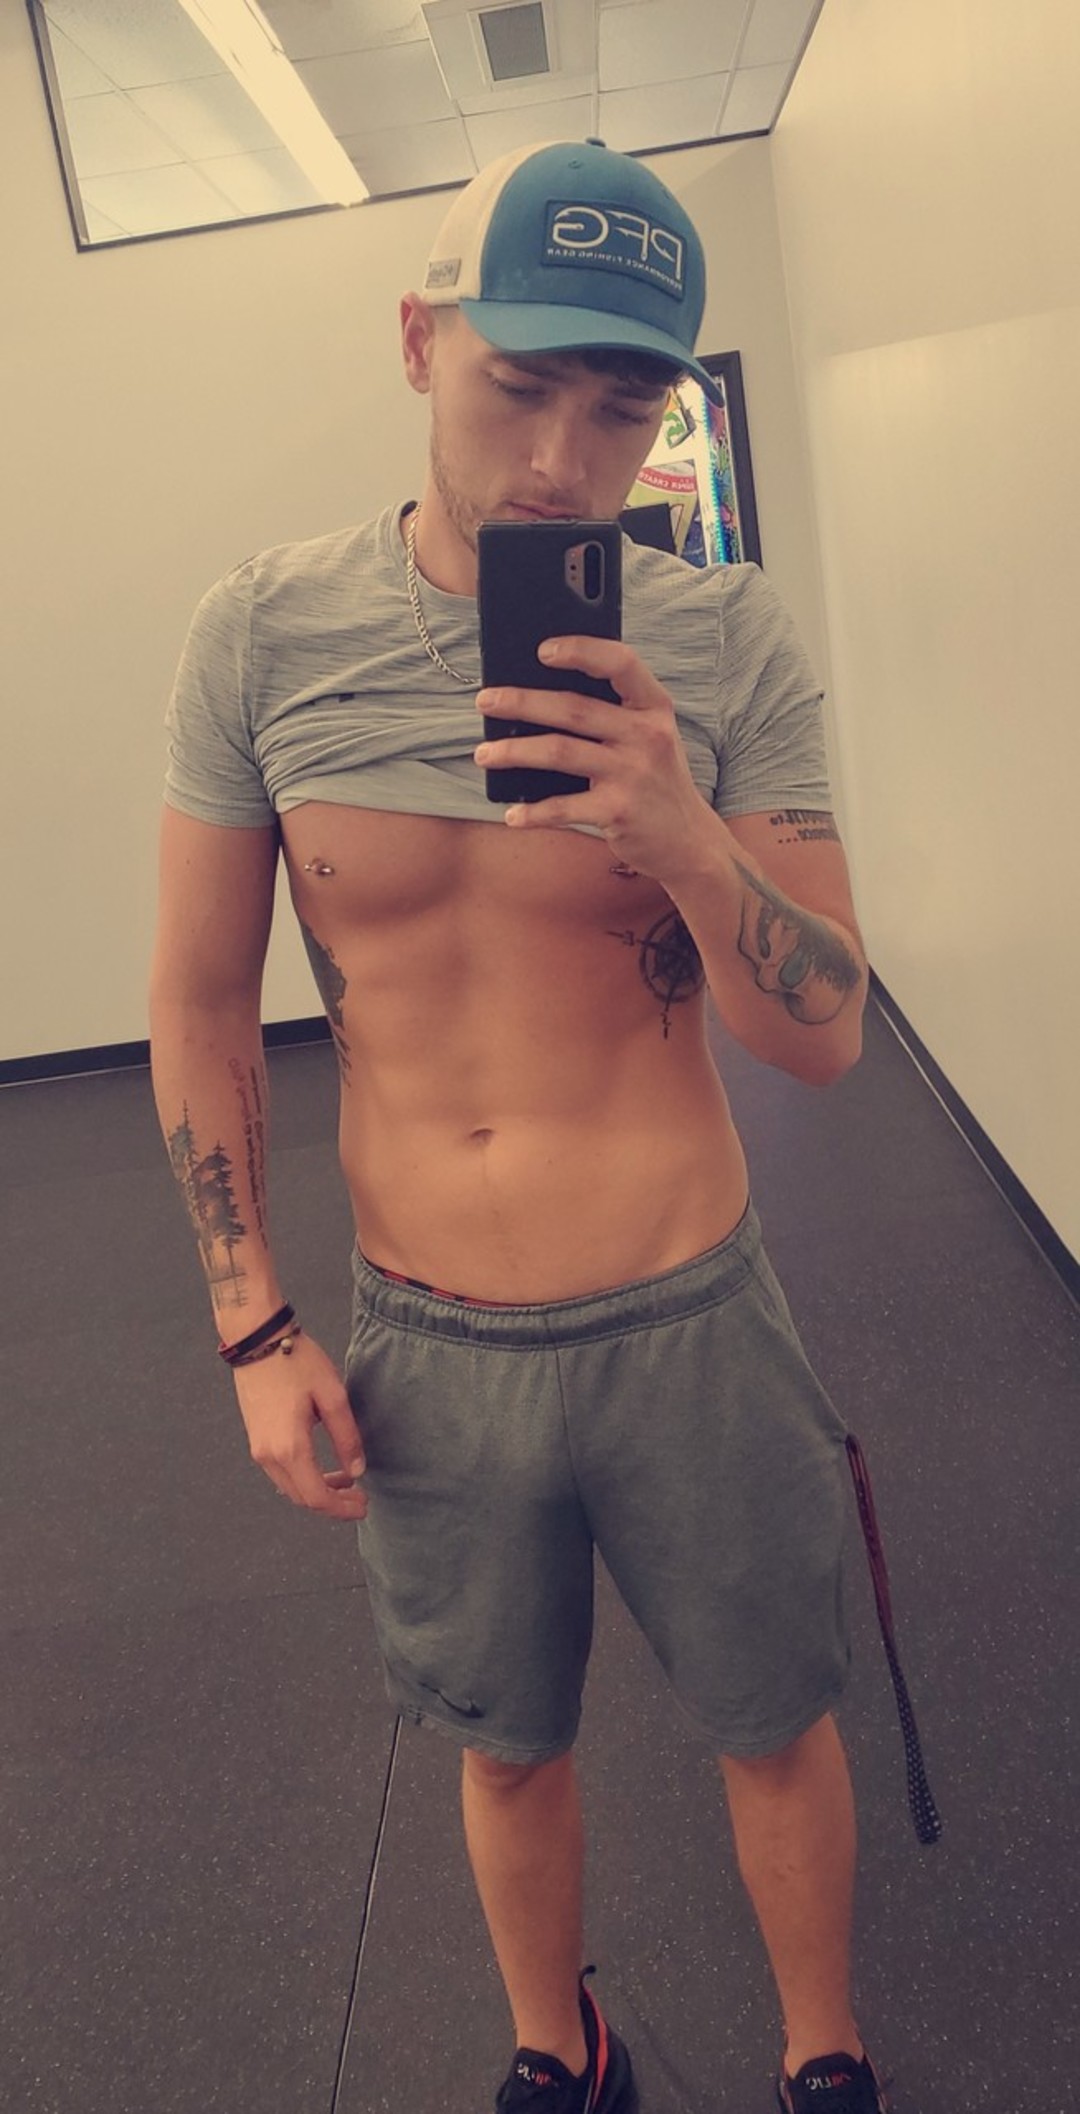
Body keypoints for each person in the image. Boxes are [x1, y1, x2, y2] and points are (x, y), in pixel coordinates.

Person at [150, 139, 902, 2114]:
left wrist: (684, 834)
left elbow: (824, 1035)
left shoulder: (723, 643)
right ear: (421, 342)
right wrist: (252, 1322)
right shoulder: (263, 637)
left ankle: (825, 2057)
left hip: (690, 1310)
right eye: (520, 386)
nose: (569, 462)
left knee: (772, 1715)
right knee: (506, 1739)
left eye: (625, 407)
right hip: (434, 1338)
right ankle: (559, 2048)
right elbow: (202, 996)